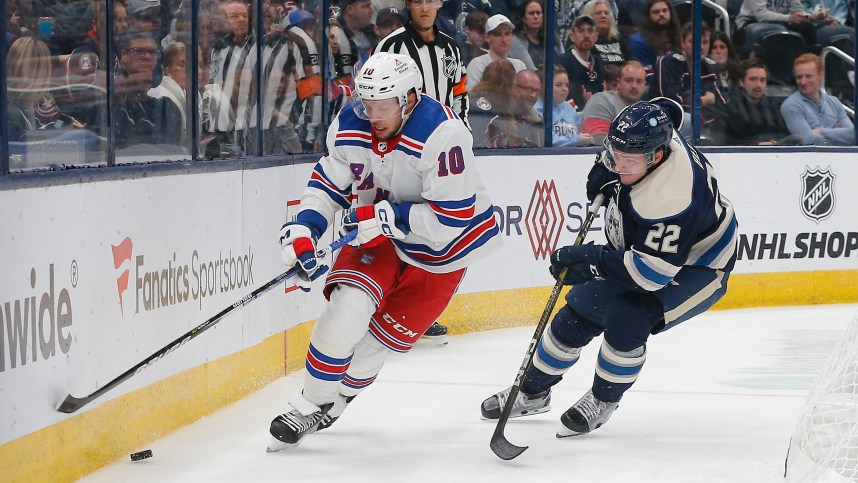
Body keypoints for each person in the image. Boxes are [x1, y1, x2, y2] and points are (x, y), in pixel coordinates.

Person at [267, 52, 501, 451]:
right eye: (366, 102)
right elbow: (330, 182)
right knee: (345, 311)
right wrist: (305, 227)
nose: (372, 113)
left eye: (383, 104)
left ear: (409, 99)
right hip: (380, 237)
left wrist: (386, 215)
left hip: (442, 251)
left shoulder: (442, 133)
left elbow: (452, 218)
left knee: (375, 346)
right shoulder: (350, 122)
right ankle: (311, 402)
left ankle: (338, 400)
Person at [481, 97, 738, 438]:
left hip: (699, 265)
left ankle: (604, 400)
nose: (621, 166)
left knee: (629, 318)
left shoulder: (671, 196)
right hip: (645, 251)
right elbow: (668, 108)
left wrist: (591, 261)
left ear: (657, 155)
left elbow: (650, 275)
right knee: (576, 315)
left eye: (630, 161)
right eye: (616, 154)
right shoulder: (648, 134)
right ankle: (532, 392)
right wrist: (606, 164)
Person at [375, 0, 471, 131]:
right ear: (408, 4)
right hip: (404, 142)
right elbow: (375, 99)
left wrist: (461, 130)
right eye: (418, 2)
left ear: (440, 3)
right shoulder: (390, 46)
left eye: (430, 1)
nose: (425, 8)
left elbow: (459, 94)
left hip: (445, 139)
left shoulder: (452, 48)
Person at [648, 22, 728, 131]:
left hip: (705, 120)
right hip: (663, 121)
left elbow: (723, 101)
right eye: (693, 41)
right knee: (689, 120)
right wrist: (704, 100)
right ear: (682, 42)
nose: (700, 47)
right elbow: (669, 102)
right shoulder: (668, 62)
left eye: (705, 42)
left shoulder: (710, 66)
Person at [203, 0, 257, 157]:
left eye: (244, 15)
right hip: (217, 118)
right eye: (234, 16)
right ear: (221, 20)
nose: (241, 19)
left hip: (245, 118)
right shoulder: (216, 48)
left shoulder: (257, 46)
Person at [710, 58, 792, 145]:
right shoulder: (729, 109)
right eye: (753, 79)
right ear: (741, 82)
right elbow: (724, 142)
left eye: (762, 80)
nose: (758, 85)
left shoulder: (774, 107)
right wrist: (756, 144)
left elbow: (783, 134)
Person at [780, 53, 855, 145]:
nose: (803, 82)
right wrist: (839, 135)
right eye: (799, 77)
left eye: (808, 76)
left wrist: (820, 131)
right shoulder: (791, 105)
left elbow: (853, 134)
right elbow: (808, 141)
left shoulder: (834, 102)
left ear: (821, 74)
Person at [581, 60, 647, 143]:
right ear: (618, 83)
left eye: (639, 81)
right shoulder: (600, 101)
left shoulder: (645, 110)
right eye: (628, 80)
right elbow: (599, 139)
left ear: (644, 85)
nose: (634, 86)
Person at [535, 65, 594, 146]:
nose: (565, 89)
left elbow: (583, 131)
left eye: (567, 85)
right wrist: (576, 139)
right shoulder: (536, 109)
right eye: (558, 85)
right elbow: (545, 141)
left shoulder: (568, 107)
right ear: (543, 86)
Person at [466, 14, 528, 91]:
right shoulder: (477, 64)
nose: (503, 39)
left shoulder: (520, 65)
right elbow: (471, 96)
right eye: (497, 34)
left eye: (507, 34)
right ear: (487, 38)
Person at [556, 15, 604, 110]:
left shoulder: (598, 63)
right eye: (581, 31)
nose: (586, 35)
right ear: (572, 36)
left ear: (596, 36)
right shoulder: (562, 63)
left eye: (590, 31)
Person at [148, 41, 189, 145]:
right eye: (181, 64)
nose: (187, 69)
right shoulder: (161, 97)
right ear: (167, 71)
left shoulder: (188, 95)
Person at [626, 0, 681, 73]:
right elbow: (645, 75)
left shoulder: (681, 38)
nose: (661, 14)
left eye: (665, 10)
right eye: (656, 12)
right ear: (648, 16)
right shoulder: (638, 42)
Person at [582, 0, 626, 68]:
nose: (603, 16)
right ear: (588, 17)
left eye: (606, 13)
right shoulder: (583, 40)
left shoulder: (618, 38)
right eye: (598, 13)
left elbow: (631, 62)